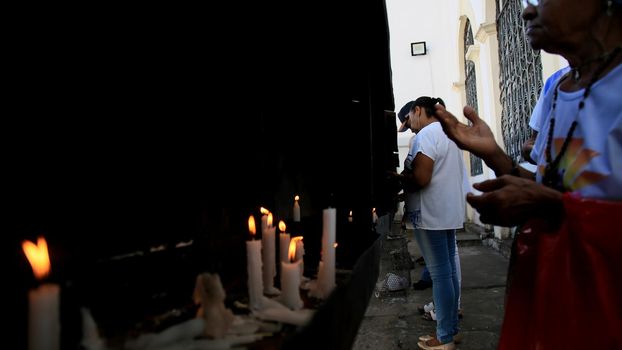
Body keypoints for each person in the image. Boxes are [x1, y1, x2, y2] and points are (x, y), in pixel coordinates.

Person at [434, 0, 622, 348]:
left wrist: (553, 206)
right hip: (557, 303)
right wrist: (493, 155)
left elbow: (555, 200)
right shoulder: (557, 89)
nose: (526, 11)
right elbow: (549, 187)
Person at [397, 96, 467, 350]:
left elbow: (423, 178)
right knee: (447, 273)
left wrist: (400, 179)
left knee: (440, 275)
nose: (410, 126)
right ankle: (451, 330)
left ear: (417, 110)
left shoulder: (427, 135)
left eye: (409, 119)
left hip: (431, 215)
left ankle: (445, 336)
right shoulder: (449, 132)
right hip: (446, 212)